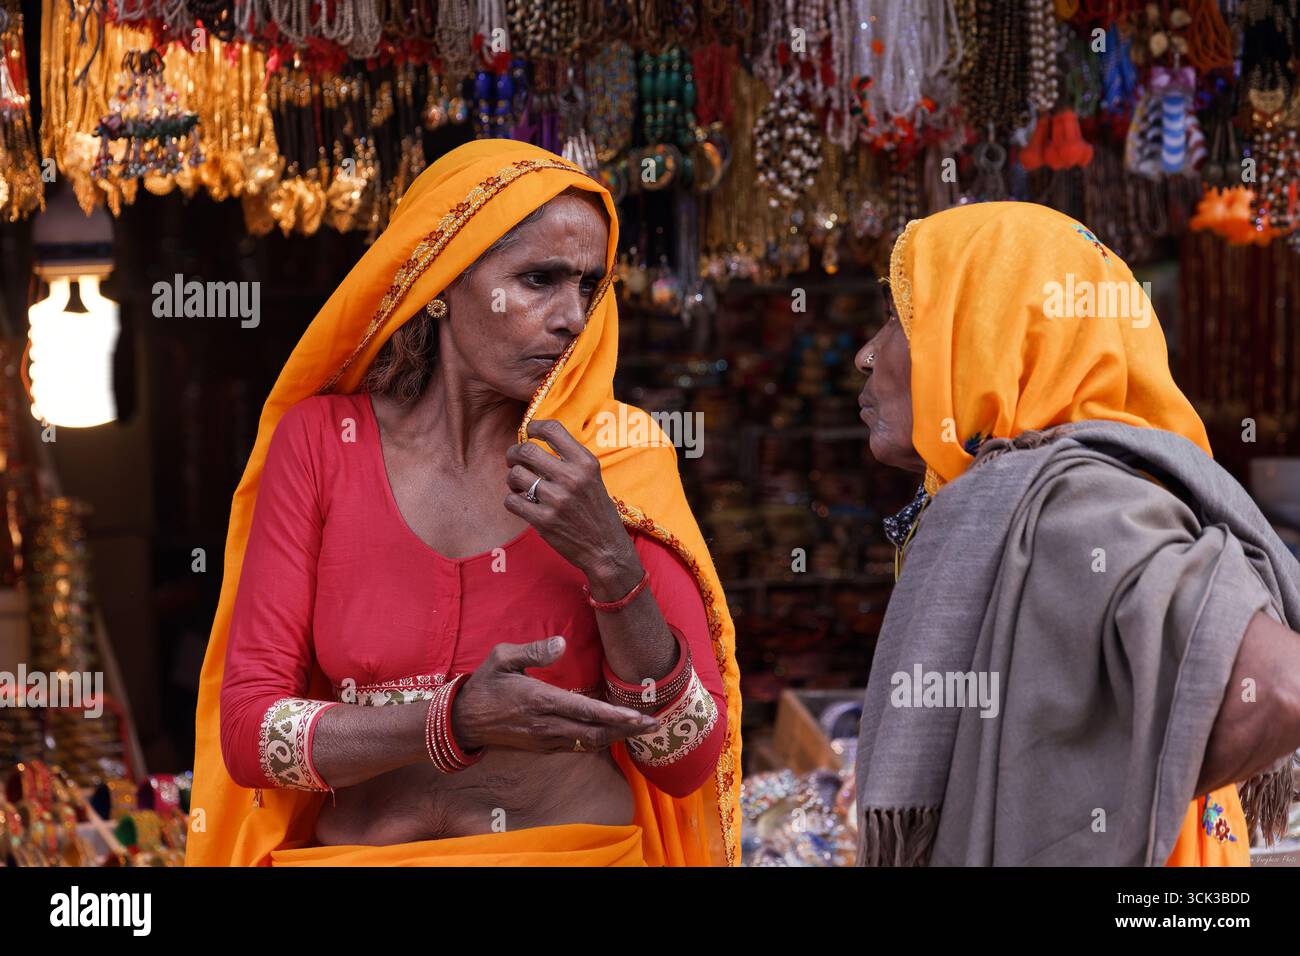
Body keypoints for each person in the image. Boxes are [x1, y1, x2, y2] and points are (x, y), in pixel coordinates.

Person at [186, 140, 741, 867]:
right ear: (443, 281)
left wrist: (610, 559)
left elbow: (685, 758)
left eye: (588, 286)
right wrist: (451, 721)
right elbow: (251, 736)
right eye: (539, 280)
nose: (573, 317)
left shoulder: (616, 454)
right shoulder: (322, 442)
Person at [852, 201, 1300, 866]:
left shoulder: (1078, 504)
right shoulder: (1036, 498)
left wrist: (1077, 820)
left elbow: (1280, 686)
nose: (867, 354)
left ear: (990, 338)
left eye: (900, 317)